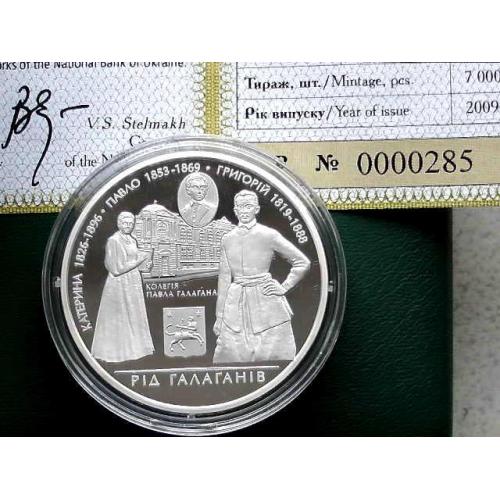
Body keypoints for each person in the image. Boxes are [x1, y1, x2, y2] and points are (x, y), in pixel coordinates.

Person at [213, 190, 310, 363]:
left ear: (256, 209)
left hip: (266, 304)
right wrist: (219, 318)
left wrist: (284, 287)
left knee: (277, 356)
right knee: (228, 356)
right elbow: (224, 279)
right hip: (235, 305)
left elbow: (302, 262)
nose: (244, 210)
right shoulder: (227, 239)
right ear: (235, 210)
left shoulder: (269, 235)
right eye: (240, 207)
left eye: (248, 206)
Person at [91, 212, 154, 362]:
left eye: (131, 224)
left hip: (133, 283)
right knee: (121, 316)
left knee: (134, 315)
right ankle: (118, 354)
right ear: (119, 224)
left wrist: (147, 265)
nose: (128, 226)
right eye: (125, 223)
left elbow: (134, 262)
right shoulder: (114, 241)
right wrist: (140, 260)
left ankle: (135, 351)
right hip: (119, 286)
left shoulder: (132, 240)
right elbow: (116, 269)